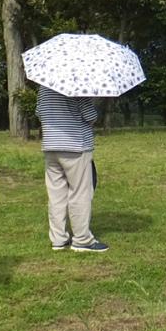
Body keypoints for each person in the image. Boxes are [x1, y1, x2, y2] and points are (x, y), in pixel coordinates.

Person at [37, 84, 107, 253]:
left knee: (56, 194)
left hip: (51, 145)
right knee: (80, 192)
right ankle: (82, 239)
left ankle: (58, 239)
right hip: (75, 146)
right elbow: (90, 116)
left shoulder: (44, 87)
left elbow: (39, 112)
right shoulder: (78, 86)